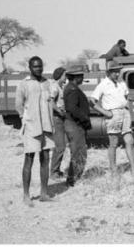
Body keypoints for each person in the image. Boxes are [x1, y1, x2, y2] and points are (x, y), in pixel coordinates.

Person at [15, 56, 54, 207]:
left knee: (45, 159)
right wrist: (25, 120)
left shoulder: (47, 83)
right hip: (32, 127)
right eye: (35, 66)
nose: (38, 69)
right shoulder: (24, 84)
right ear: (30, 67)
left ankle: (44, 193)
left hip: (46, 126)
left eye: (40, 66)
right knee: (29, 160)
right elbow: (18, 105)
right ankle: (26, 196)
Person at [90, 60, 134, 177]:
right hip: (113, 115)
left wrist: (127, 102)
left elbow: (126, 95)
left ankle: (133, 167)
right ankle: (113, 169)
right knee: (114, 143)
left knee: (129, 140)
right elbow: (92, 101)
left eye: (118, 72)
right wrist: (106, 113)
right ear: (108, 72)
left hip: (125, 113)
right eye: (114, 72)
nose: (117, 74)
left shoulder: (121, 83)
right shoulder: (103, 84)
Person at [63, 65, 92, 187]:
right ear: (76, 77)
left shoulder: (72, 87)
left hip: (75, 124)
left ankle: (75, 177)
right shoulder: (73, 89)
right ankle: (72, 179)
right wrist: (84, 118)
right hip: (75, 125)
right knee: (78, 152)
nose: (82, 78)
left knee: (79, 152)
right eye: (81, 76)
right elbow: (72, 108)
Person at [49, 67, 67, 179]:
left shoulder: (61, 87)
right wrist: (59, 111)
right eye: (65, 75)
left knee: (62, 146)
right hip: (57, 118)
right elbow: (50, 102)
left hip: (61, 118)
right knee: (60, 146)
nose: (66, 77)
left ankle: (56, 170)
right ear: (60, 75)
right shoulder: (54, 87)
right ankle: (53, 172)